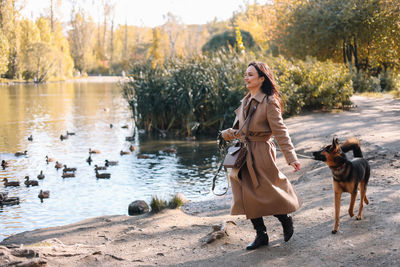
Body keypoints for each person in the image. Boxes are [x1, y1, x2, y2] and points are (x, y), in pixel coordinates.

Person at [221, 61, 302, 250]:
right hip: (243, 152)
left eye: (250, 74)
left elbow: (280, 131)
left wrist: (292, 157)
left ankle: (285, 219)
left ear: (262, 78)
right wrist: (227, 133)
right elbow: (239, 127)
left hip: (262, 152)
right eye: (246, 74)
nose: (246, 77)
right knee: (246, 193)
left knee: (268, 190)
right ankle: (261, 235)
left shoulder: (269, 102)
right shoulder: (246, 99)